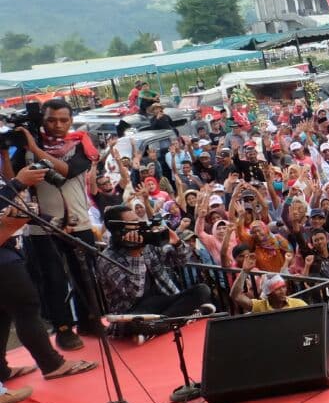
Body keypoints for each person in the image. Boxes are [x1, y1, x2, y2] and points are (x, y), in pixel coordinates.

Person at [2, 99, 101, 350]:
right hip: (42, 227)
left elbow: (67, 171)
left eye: (63, 120)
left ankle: (90, 320)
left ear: (71, 121)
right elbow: (13, 181)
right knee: (53, 280)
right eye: (51, 120)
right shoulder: (25, 149)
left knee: (86, 276)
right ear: (42, 121)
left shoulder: (80, 144)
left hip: (79, 222)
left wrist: (34, 148)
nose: (57, 125)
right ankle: (63, 329)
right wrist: (5, 152)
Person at [0, 165, 97, 382]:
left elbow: (11, 210)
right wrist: (18, 183)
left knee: (3, 314)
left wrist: (50, 221)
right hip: (3, 258)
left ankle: (1, 370)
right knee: (26, 307)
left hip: (11, 249)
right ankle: (52, 364)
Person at [98, 205, 213, 317]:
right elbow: (134, 293)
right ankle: (180, 317)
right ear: (118, 230)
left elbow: (182, 261)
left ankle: (165, 321)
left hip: (164, 300)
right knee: (139, 316)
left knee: (202, 290)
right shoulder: (107, 259)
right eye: (134, 223)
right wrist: (136, 255)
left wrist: (177, 243)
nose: (140, 226)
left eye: (138, 221)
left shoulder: (147, 243)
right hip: (133, 312)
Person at [234, 271, 307, 312]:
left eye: (283, 287)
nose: (282, 291)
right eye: (277, 289)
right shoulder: (260, 306)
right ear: (268, 293)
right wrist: (244, 271)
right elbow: (236, 296)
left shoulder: (298, 304)